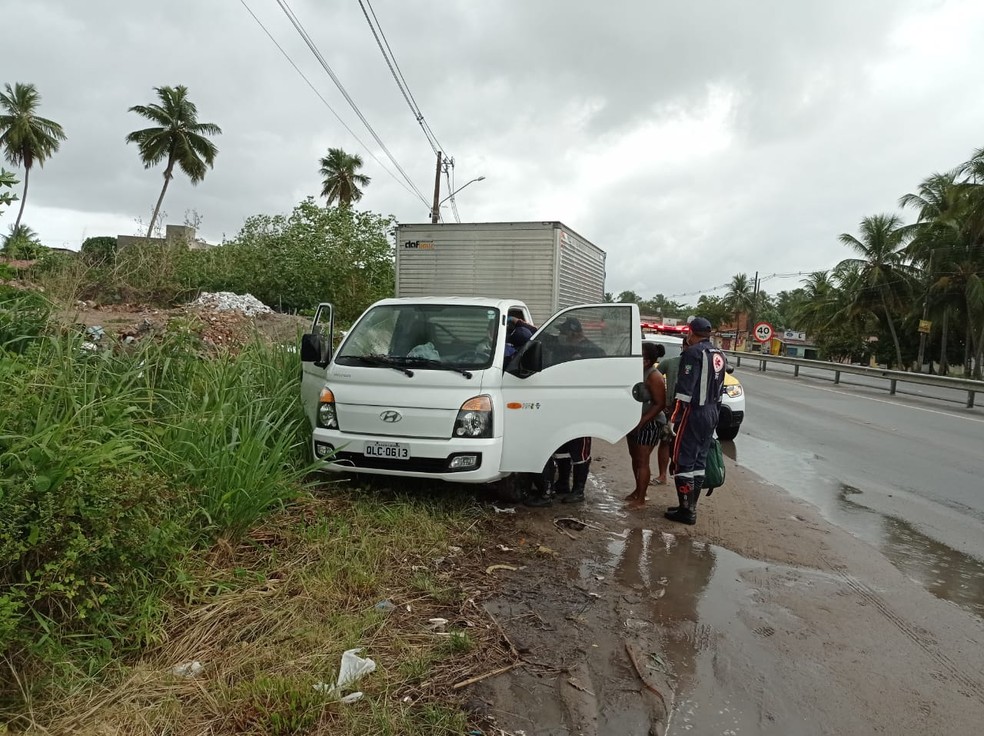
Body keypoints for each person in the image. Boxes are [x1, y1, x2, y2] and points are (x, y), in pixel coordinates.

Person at [665, 317, 726, 525]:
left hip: (693, 413)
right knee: (699, 461)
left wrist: (673, 419)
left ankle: (686, 511)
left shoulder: (692, 353)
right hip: (711, 413)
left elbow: (684, 392)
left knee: (683, 460)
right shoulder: (719, 354)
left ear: (691, 332)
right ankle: (691, 507)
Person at [624, 341, 668, 508]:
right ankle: (638, 491)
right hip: (635, 422)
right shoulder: (638, 372)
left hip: (649, 422)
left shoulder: (653, 376)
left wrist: (642, 422)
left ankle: (641, 499)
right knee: (635, 458)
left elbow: (660, 404)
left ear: (647, 360)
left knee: (643, 461)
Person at [654, 337, 686, 485]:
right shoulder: (670, 363)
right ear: (683, 347)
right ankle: (662, 475)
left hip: (689, 411)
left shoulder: (700, 364)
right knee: (666, 441)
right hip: (672, 409)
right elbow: (652, 377)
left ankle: (683, 478)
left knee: (684, 445)